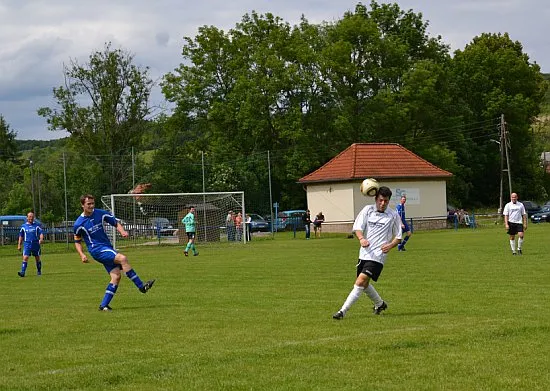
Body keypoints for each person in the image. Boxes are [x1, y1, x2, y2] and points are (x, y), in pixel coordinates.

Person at [74, 194, 155, 311]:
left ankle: (104, 305)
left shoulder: (100, 213)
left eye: (93, 203)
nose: (91, 206)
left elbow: (115, 222)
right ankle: (141, 286)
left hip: (106, 247)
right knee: (123, 259)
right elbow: (77, 240)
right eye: (88, 204)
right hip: (97, 250)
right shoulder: (79, 223)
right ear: (82, 205)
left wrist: (122, 231)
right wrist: (82, 255)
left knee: (116, 276)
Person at [333, 186, 402, 319]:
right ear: (376, 199)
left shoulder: (393, 215)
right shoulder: (367, 210)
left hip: (378, 256)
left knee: (360, 281)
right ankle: (380, 304)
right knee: (364, 284)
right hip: (364, 253)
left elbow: (398, 237)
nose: (383, 204)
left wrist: (390, 245)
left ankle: (342, 311)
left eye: (386, 201)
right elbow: (357, 228)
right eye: (381, 200)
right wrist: (361, 238)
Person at [17, 211, 44, 277]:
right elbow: (21, 236)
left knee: (37, 257)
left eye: (32, 217)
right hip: (27, 244)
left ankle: (39, 271)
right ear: (27, 218)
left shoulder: (36, 225)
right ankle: (22, 272)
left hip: (35, 243)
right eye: (29, 217)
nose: (31, 218)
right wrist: (19, 245)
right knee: (25, 257)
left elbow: (41, 233)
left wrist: (41, 239)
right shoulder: (23, 226)